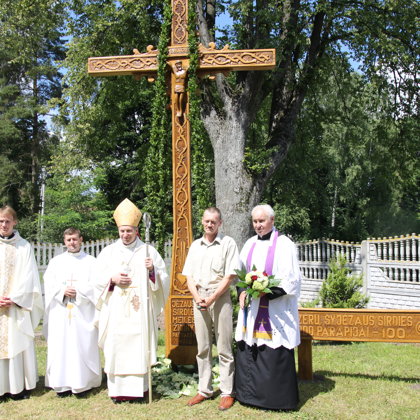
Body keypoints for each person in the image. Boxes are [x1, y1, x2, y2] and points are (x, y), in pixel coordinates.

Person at [95, 198, 169, 403]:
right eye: (122, 231)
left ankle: (139, 390)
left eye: (129, 231)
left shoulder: (148, 251)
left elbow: (163, 280)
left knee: (138, 346)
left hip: (139, 309)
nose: (125, 235)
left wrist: (152, 270)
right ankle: (117, 391)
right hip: (116, 309)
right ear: (118, 231)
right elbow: (96, 281)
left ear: (137, 230)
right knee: (116, 346)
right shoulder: (108, 253)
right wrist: (112, 279)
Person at [234, 204, 301, 411]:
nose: (258, 225)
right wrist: (242, 291)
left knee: (273, 348)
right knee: (250, 345)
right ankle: (248, 396)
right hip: (252, 309)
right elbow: (240, 273)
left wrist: (266, 292)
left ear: (272, 220)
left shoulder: (284, 244)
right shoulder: (249, 244)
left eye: (261, 221)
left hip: (275, 309)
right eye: (255, 221)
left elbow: (291, 279)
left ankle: (275, 400)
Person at [182, 207, 240, 411]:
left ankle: (226, 391)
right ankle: (204, 389)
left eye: (213, 222)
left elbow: (230, 276)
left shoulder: (227, 243)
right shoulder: (195, 246)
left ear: (220, 223)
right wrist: (198, 298)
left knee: (224, 346)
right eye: (206, 221)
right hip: (199, 298)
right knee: (203, 347)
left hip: (220, 296)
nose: (209, 224)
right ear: (202, 222)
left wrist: (213, 297)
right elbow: (188, 276)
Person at [43, 228, 101, 397]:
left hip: (82, 312)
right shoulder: (56, 262)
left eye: (75, 239)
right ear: (64, 241)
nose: (72, 243)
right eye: (68, 240)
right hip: (60, 312)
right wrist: (62, 290)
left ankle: (84, 382)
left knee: (82, 344)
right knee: (61, 345)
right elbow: (49, 283)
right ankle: (61, 384)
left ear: (81, 239)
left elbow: (96, 285)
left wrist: (79, 291)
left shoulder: (91, 262)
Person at [0, 205, 43, 400]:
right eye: (1, 221)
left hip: (16, 307)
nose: (4, 225)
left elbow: (30, 276)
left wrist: (15, 299)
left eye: (8, 221)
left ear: (15, 222)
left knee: (17, 343)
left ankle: (18, 388)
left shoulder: (24, 246)